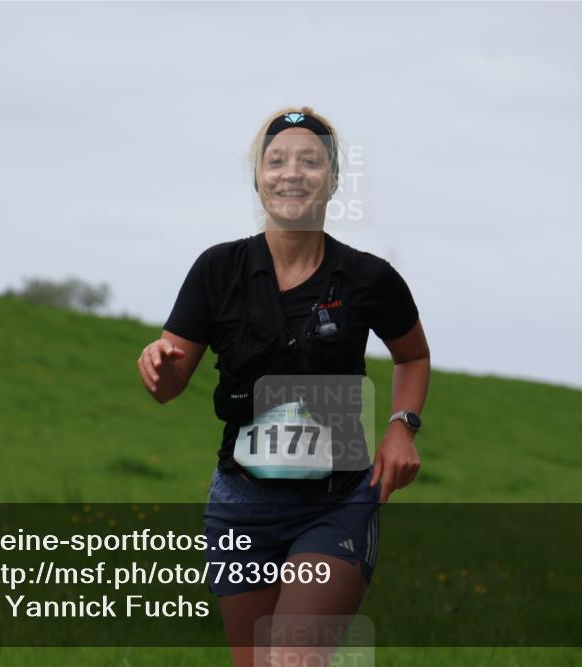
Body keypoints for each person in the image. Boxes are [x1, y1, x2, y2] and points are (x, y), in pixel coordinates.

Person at [136, 106, 430, 667]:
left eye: (310, 160)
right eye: (276, 160)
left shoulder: (369, 278)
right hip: (241, 506)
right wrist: (155, 363)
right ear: (258, 178)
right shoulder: (217, 269)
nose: (291, 172)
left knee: (293, 659)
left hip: (334, 503)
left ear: (334, 178)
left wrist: (402, 427)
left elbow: (412, 355)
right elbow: (168, 386)